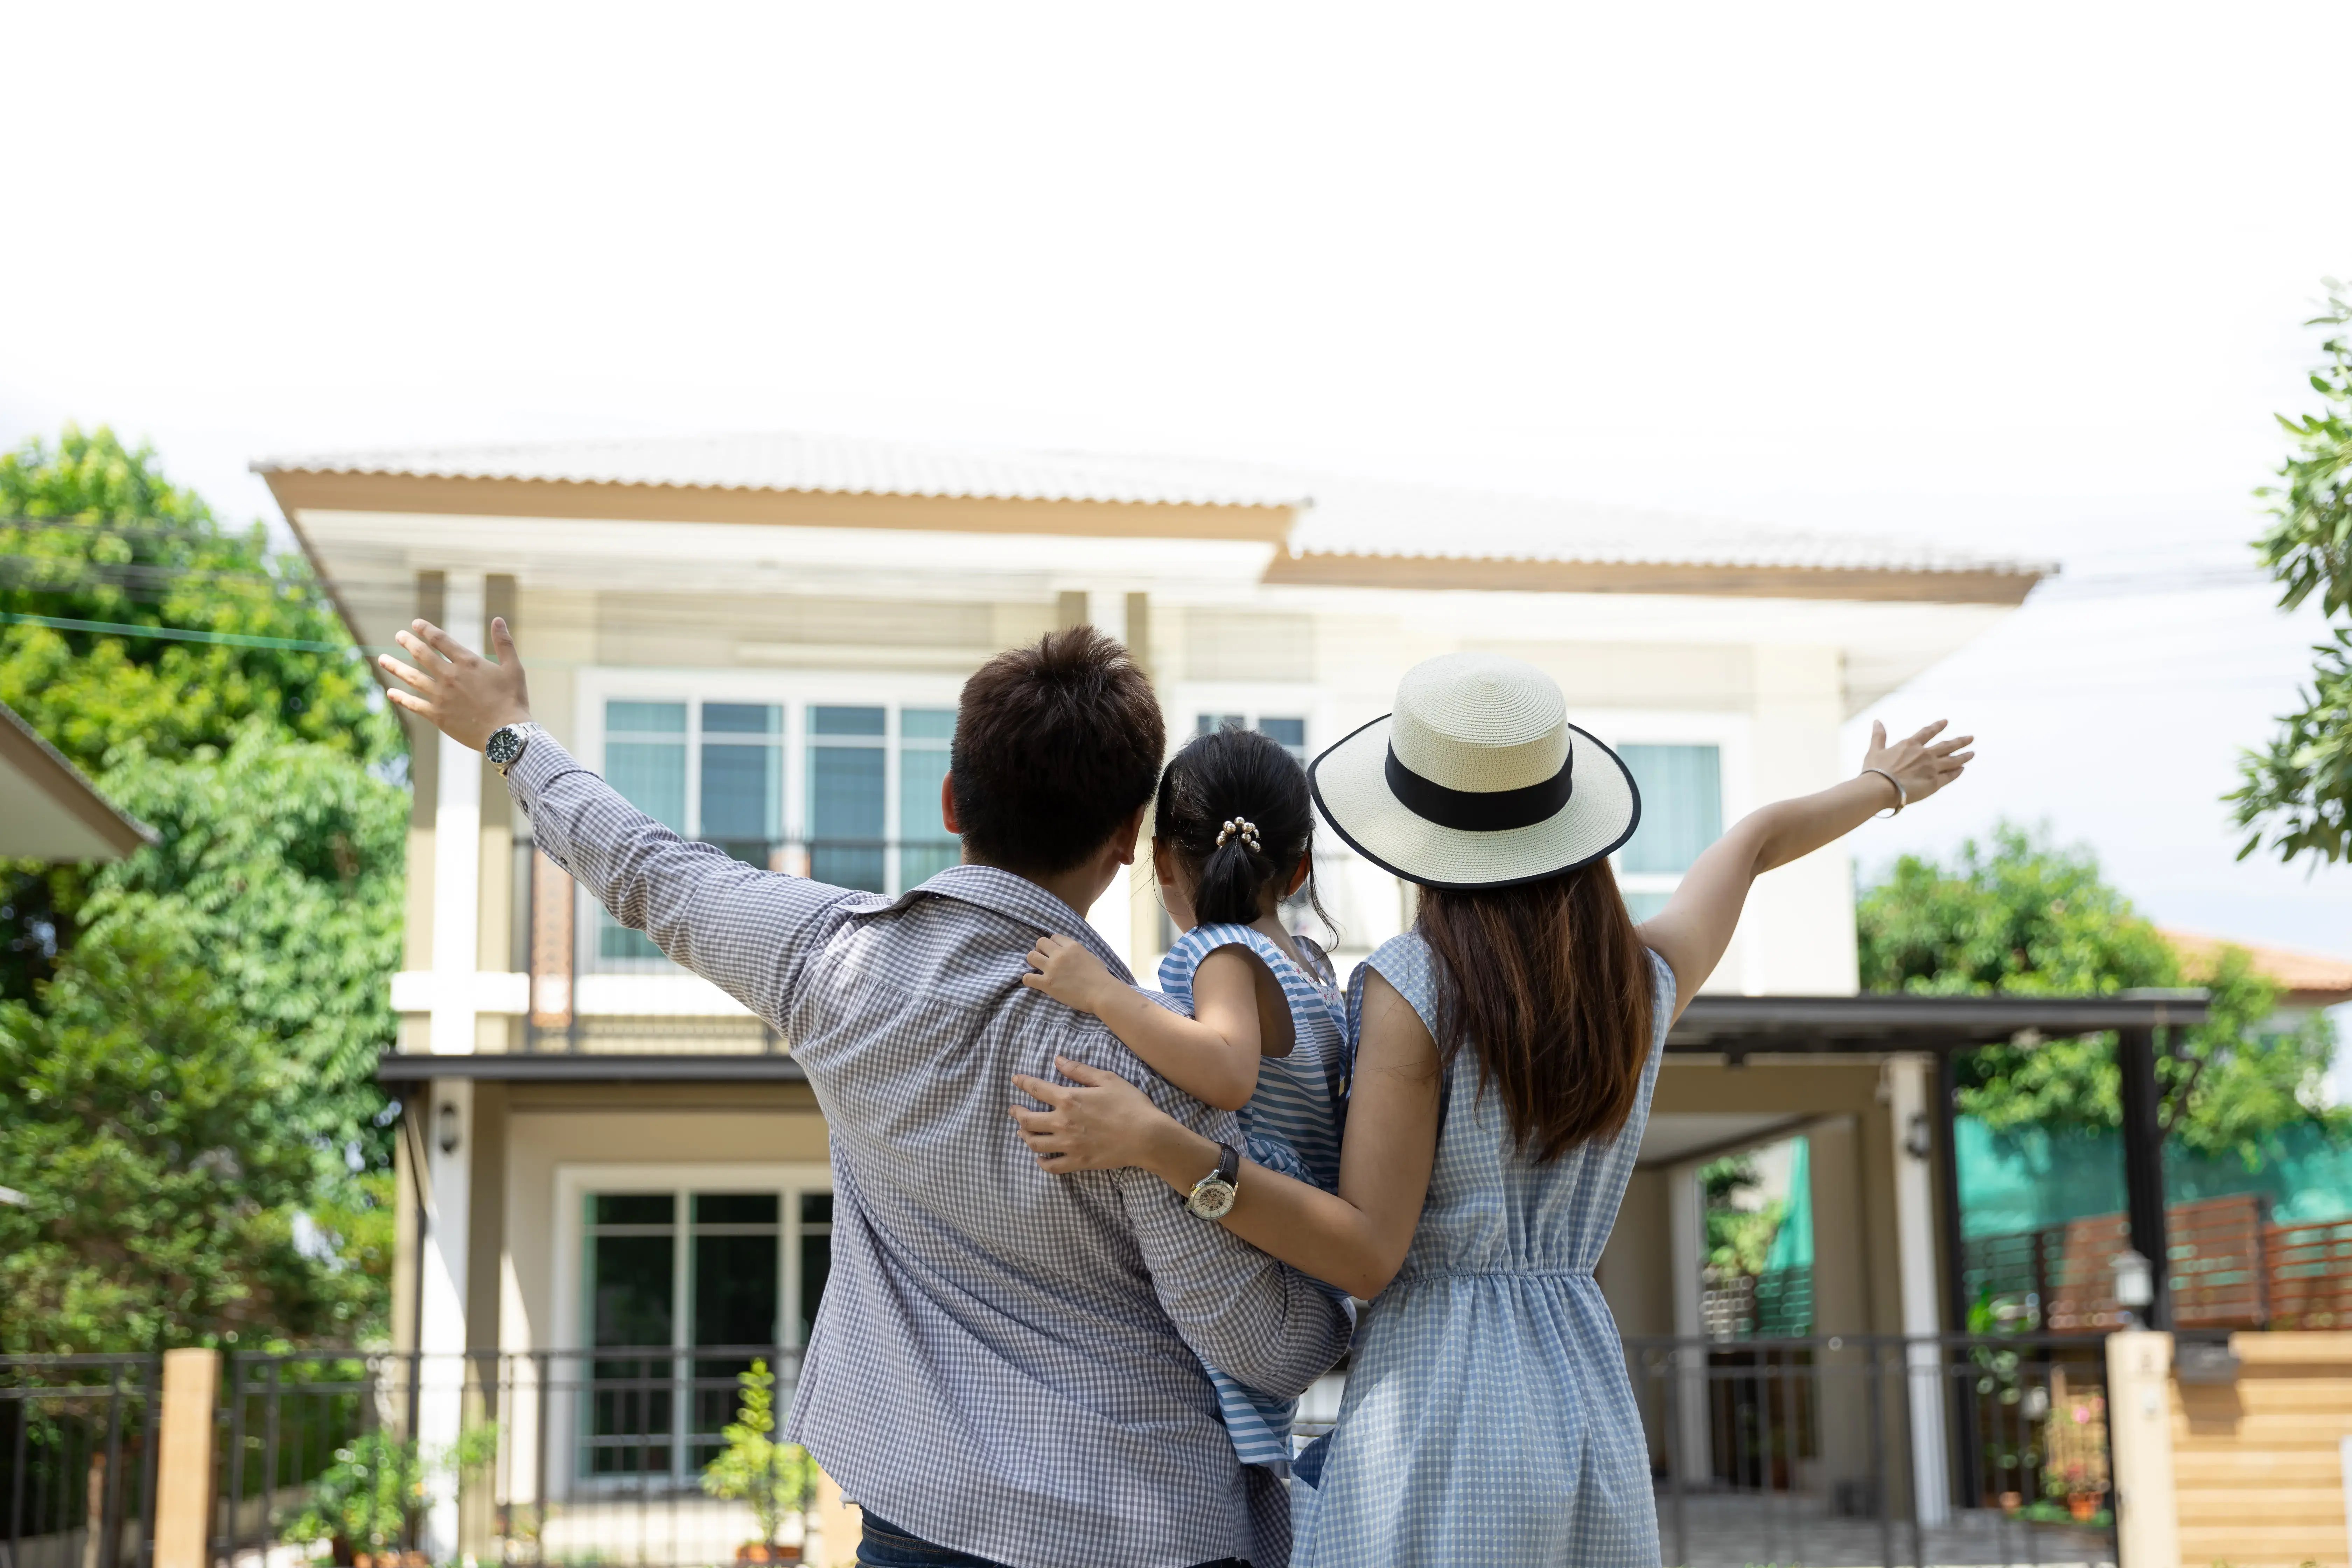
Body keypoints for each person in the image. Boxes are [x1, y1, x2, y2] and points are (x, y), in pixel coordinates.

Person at [378, 618, 1352, 1568]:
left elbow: (650, 872)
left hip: (916, 1520)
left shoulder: (826, 960)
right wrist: (1335, 1303)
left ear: (950, 802)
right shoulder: (1142, 1069)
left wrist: (511, 739)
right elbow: (1266, 1349)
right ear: (1128, 841)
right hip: (1140, 1527)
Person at [1010, 651, 1972, 1567]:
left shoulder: (1412, 986)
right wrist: (1881, 786)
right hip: (1587, 1397)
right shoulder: (1638, 979)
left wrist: (1167, 1150)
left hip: (1437, 1415)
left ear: (1419, 838)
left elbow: (1365, 1251)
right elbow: (1751, 845)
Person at [1022, 724, 1350, 1469]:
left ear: (1162, 857)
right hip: (1304, 1245)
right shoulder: (1314, 970)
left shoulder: (1220, 951)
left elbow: (1227, 1071)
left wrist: (1105, 993)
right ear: (1299, 870)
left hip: (1256, 1235)